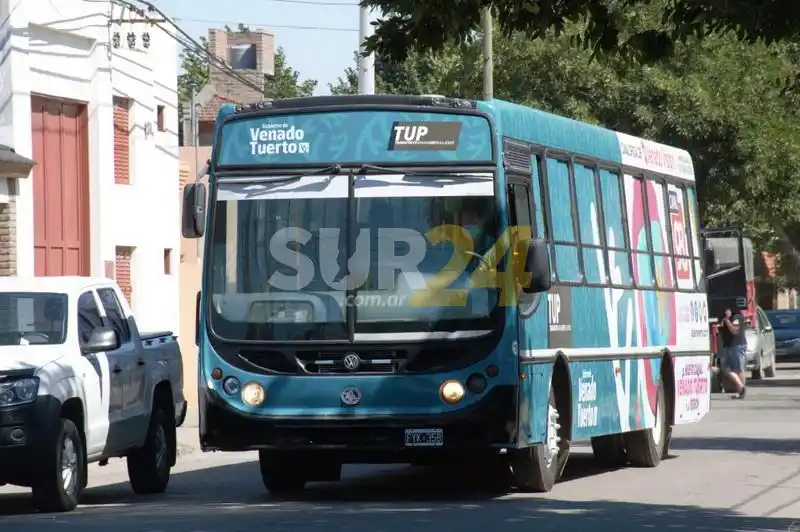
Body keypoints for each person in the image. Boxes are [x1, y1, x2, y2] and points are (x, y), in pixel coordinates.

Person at [719, 308, 747, 399]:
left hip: (737, 346)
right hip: (728, 346)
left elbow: (734, 330)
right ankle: (741, 387)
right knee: (726, 369)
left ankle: (741, 392)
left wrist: (727, 320)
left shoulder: (737, 317)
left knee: (739, 369)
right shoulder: (727, 318)